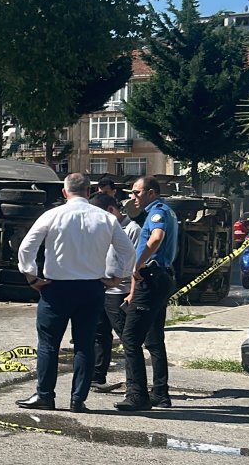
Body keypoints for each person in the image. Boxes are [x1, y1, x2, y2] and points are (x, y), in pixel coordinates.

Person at [15, 173, 136, 413]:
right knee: (85, 344)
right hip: (92, 287)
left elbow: (26, 247)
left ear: (64, 192)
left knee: (49, 344)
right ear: (90, 192)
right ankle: (77, 399)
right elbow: (128, 251)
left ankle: (45, 395)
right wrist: (118, 278)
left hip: (55, 287)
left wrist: (31, 276)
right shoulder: (106, 218)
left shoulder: (52, 215)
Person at [116, 176, 178, 411]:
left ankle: (137, 394)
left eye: (136, 192)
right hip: (160, 278)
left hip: (151, 278)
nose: (133, 197)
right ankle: (160, 393)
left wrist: (137, 265)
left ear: (151, 193)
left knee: (130, 338)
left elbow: (156, 238)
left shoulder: (157, 212)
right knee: (153, 339)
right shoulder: (166, 211)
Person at [88, 193, 140, 392]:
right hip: (100, 287)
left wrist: (131, 292)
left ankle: (133, 383)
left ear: (111, 210)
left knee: (126, 337)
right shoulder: (101, 228)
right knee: (99, 334)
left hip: (120, 290)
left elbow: (136, 262)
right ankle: (97, 377)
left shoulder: (132, 229)